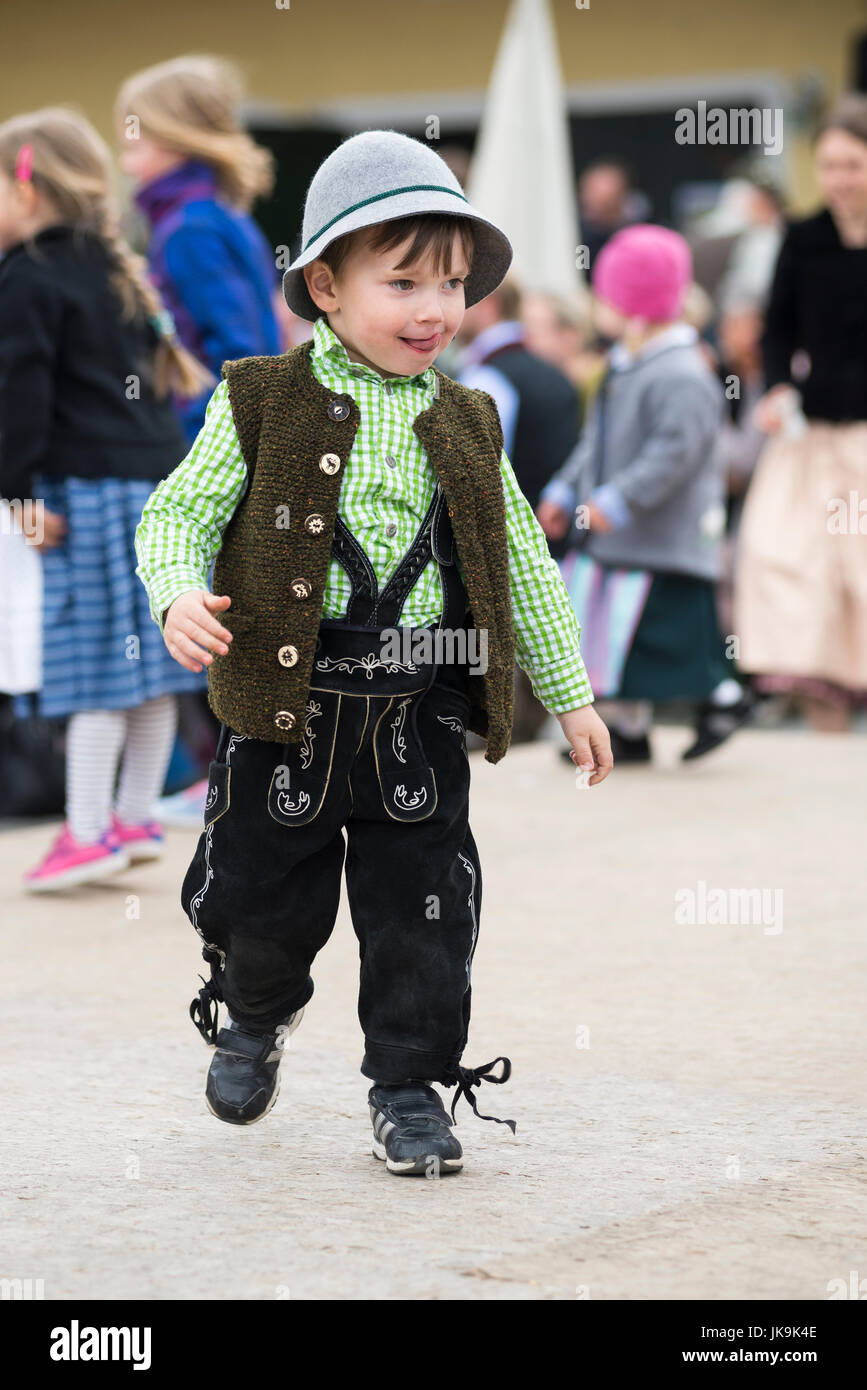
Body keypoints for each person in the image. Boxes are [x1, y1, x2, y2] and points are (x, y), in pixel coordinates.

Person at [134, 130, 613, 1175]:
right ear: (325, 287)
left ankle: (407, 1086)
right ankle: (254, 1010)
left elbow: (525, 560)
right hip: (284, 716)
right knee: (260, 902)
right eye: (402, 282)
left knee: (423, 918)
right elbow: (174, 516)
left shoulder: (471, 420)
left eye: (451, 283)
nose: (435, 308)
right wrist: (177, 592)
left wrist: (571, 693)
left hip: (415, 717)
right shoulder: (257, 397)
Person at [0, 107, 212, 891]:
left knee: (89, 668)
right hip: (155, 486)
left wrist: (14, 495)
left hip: (80, 492)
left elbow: (18, 396)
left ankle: (86, 832)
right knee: (152, 669)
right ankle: (133, 817)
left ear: (27, 191)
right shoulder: (117, 267)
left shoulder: (27, 277)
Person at [537, 224, 751, 764]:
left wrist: (618, 499)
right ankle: (627, 727)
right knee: (620, 638)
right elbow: (595, 442)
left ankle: (724, 698)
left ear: (633, 307)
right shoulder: (623, 365)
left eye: (606, 295)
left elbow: (673, 456)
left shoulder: (680, 373)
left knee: (671, 635)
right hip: (625, 542)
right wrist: (567, 488)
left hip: (665, 540)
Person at [734, 94, 867, 731]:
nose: (840, 179)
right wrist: (780, 386)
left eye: (854, 164)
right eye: (831, 165)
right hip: (812, 430)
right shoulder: (802, 238)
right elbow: (776, 330)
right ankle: (825, 705)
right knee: (791, 558)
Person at [115, 55, 282, 444]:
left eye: (135, 147)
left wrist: (199, 444)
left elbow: (238, 352)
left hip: (210, 443)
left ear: (178, 139)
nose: (124, 164)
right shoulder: (223, 212)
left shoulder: (190, 230)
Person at [455, 274, 582, 742]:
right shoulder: (552, 374)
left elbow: (479, 473)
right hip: (554, 539)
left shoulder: (487, 375)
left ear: (486, 305)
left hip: (505, 546)